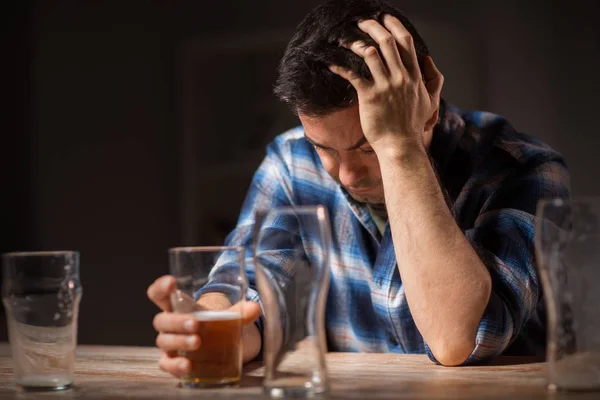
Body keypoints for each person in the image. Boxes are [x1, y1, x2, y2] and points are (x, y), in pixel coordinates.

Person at [147, 0, 570, 377]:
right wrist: (208, 328)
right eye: (325, 149)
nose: (347, 175)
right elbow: (250, 291)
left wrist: (399, 145)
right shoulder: (291, 161)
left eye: (367, 147)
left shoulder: (525, 169)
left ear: (428, 103)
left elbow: (456, 340)